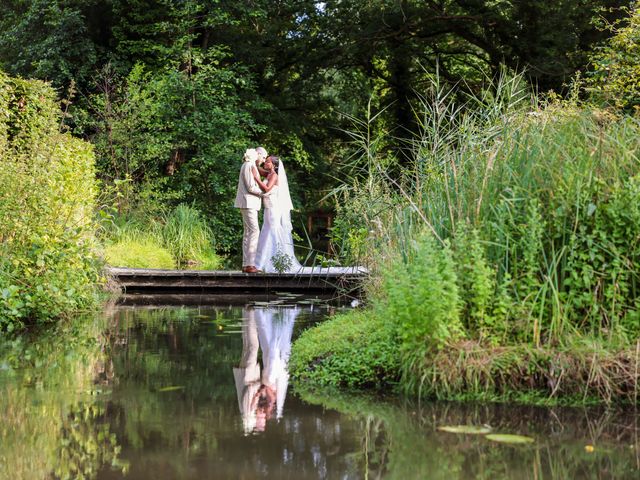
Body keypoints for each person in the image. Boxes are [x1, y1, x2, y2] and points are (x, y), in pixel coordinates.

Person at [234, 148, 263, 273]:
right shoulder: (249, 165)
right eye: (263, 156)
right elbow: (251, 187)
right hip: (248, 203)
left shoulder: (248, 165)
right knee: (254, 231)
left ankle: (246, 264)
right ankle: (250, 264)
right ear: (257, 155)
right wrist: (265, 193)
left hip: (249, 203)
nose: (262, 160)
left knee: (248, 233)